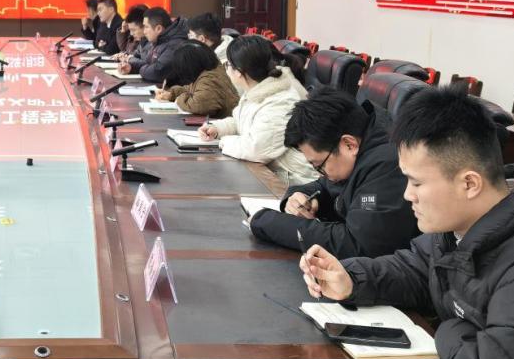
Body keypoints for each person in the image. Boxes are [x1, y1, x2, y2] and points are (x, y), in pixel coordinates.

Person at [299, 88, 514, 359]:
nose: (407, 195)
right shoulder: (462, 222)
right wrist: (351, 279)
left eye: (417, 182)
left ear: (469, 183)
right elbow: (416, 266)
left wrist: (448, 327)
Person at [249, 88, 419, 257]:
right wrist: (302, 196)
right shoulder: (361, 146)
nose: (320, 173)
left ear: (349, 145)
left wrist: (268, 222)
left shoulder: (388, 166)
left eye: (319, 165)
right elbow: (325, 185)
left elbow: (357, 244)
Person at [200, 35, 317, 185]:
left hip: (292, 181)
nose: (226, 68)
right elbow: (241, 122)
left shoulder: (280, 101)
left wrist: (223, 141)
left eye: (228, 64)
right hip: (267, 172)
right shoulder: (257, 88)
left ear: (239, 71)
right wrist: (218, 129)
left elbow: (256, 149)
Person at [153, 42, 238, 118]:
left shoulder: (210, 79)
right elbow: (191, 89)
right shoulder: (208, 71)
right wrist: (172, 94)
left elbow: (199, 105)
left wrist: (178, 99)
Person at [115, 7, 187, 84]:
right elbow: (148, 65)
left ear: (158, 28)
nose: (144, 32)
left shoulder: (174, 44)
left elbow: (157, 72)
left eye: (146, 27)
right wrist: (131, 68)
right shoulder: (158, 41)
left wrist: (140, 68)